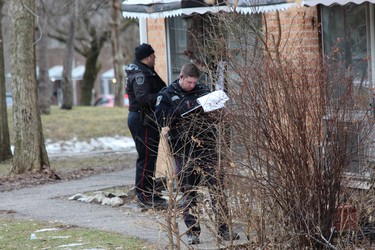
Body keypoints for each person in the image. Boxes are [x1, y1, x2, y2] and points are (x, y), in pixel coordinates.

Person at [155, 63, 240, 245]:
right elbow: (160, 118)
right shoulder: (167, 94)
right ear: (181, 78)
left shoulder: (203, 90)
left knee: (217, 189)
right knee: (189, 192)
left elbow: (219, 115)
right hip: (183, 148)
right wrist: (183, 112)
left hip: (207, 146)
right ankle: (193, 231)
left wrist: (215, 111)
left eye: (195, 82)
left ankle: (224, 229)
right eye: (189, 82)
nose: (192, 86)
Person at [125, 43, 167, 209]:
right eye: (153, 55)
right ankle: (144, 195)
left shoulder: (144, 70)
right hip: (143, 120)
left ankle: (148, 191)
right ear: (148, 57)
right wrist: (162, 97)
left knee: (150, 157)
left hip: (146, 119)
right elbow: (143, 98)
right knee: (146, 157)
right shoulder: (140, 74)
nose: (155, 58)